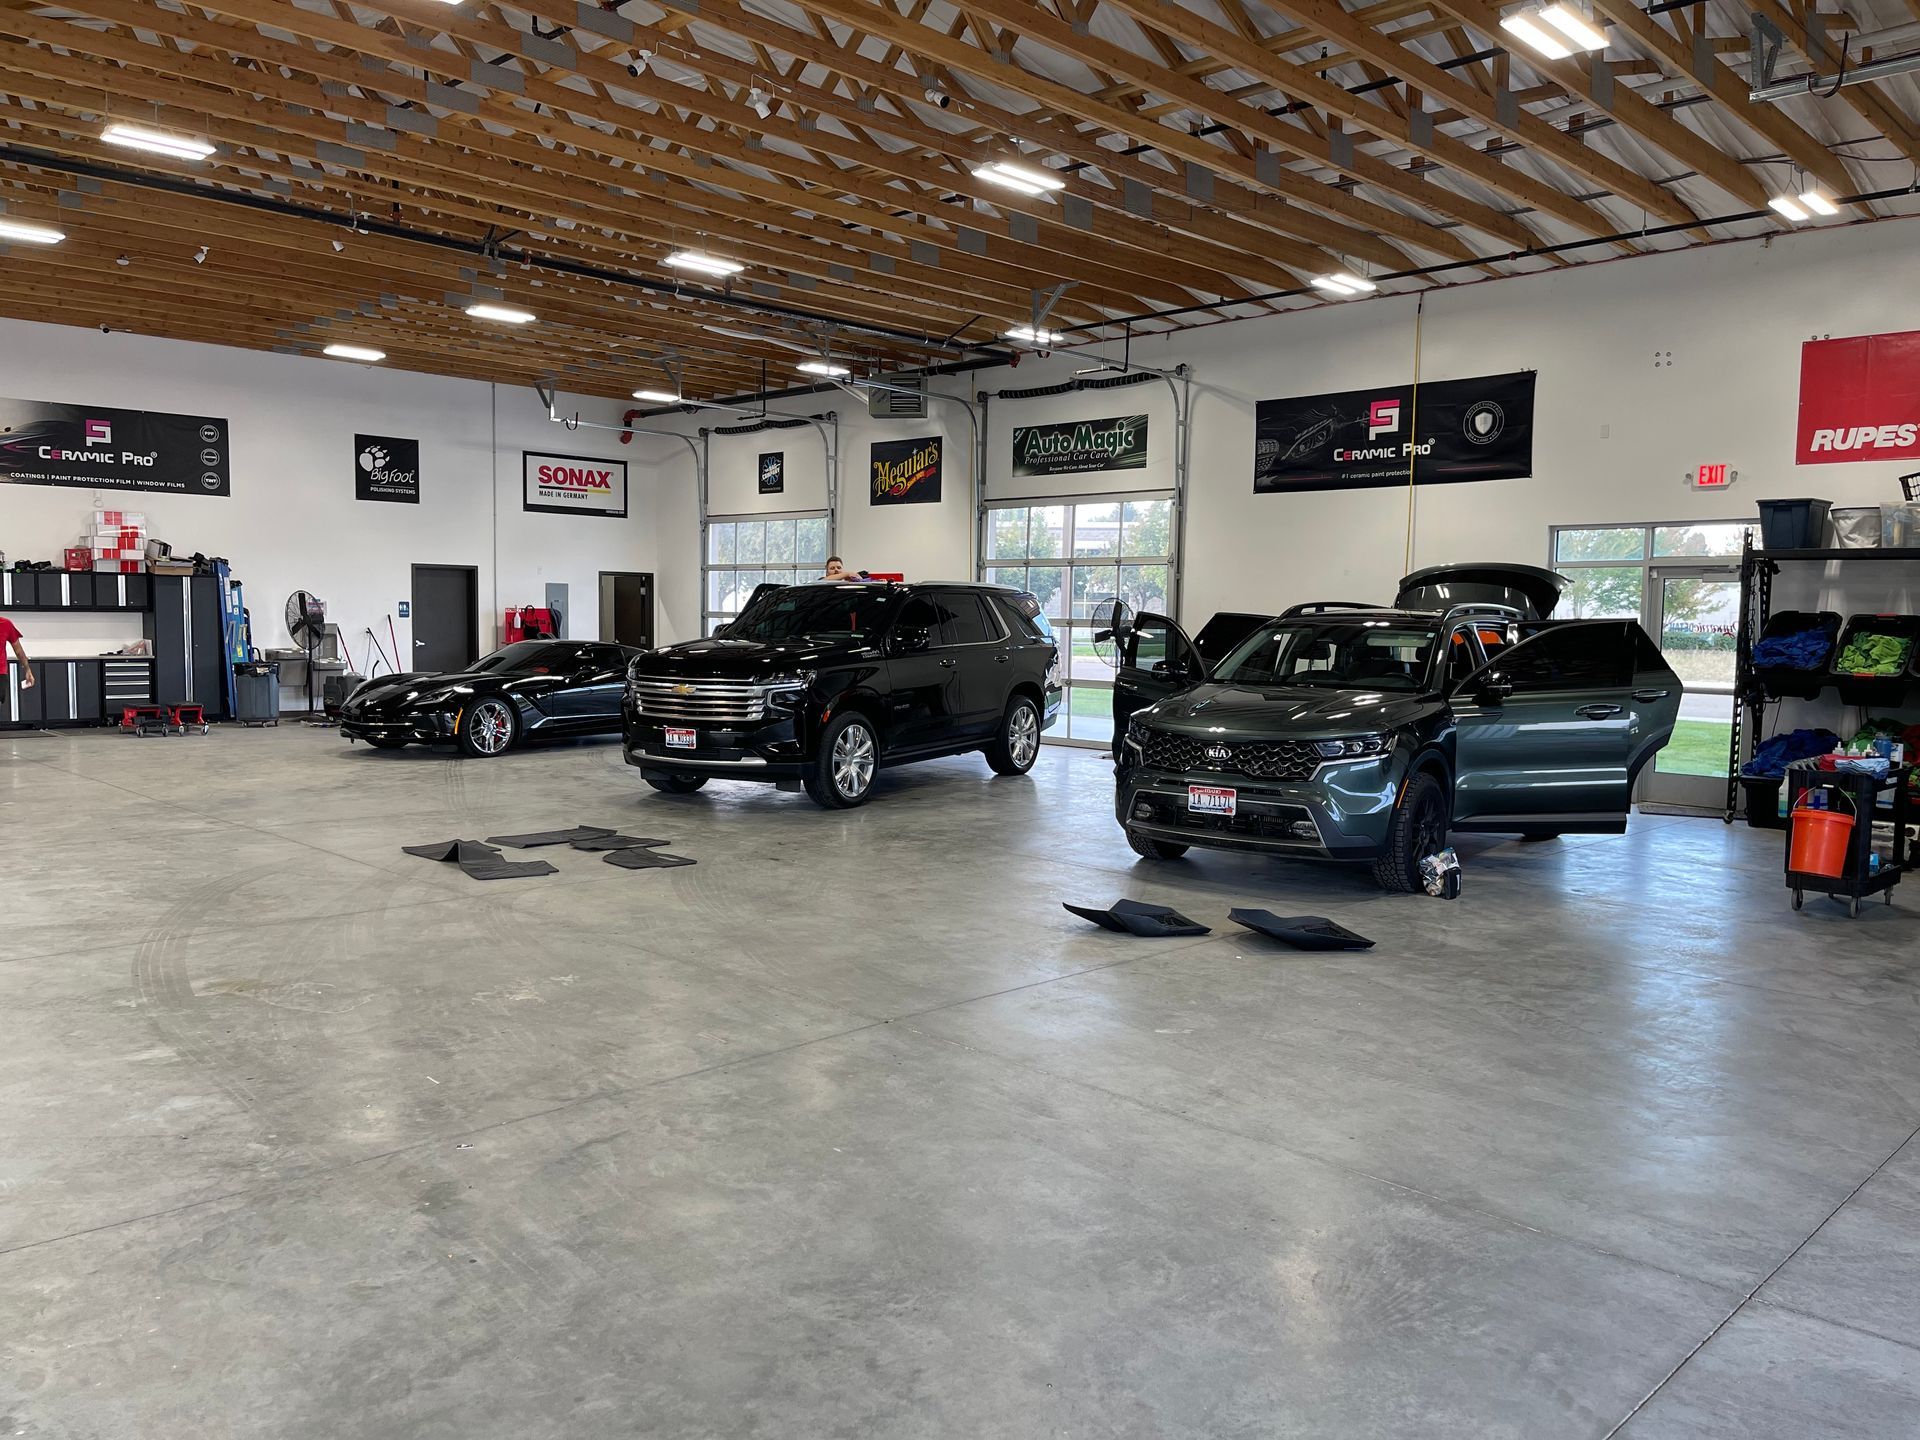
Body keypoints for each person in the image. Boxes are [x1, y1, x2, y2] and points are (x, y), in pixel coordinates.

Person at [0, 612, 33, 705]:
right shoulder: (6, 623)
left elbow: (19, 651)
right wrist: (27, 670)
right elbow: (18, 651)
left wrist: (28, 670)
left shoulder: (6, 624)